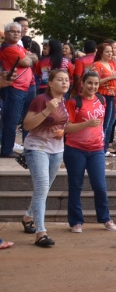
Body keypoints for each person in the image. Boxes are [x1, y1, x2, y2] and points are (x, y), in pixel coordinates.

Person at [21, 68, 70, 247]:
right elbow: (27, 124)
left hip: (57, 150)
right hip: (37, 148)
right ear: (50, 83)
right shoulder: (41, 100)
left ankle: (28, 216)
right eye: (60, 80)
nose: (64, 82)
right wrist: (46, 111)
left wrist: (63, 132)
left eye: (66, 80)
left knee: (44, 188)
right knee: (41, 187)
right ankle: (41, 233)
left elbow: (64, 125)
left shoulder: (65, 101)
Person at [64, 70, 116, 233]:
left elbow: (102, 124)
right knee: (75, 186)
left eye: (96, 83)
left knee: (100, 186)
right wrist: (86, 124)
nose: (93, 86)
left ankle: (105, 218)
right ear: (82, 84)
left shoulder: (101, 99)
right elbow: (66, 127)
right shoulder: (73, 102)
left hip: (96, 149)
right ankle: (76, 221)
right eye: (89, 83)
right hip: (75, 149)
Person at [0, 21, 37, 157]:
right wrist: (27, 58)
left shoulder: (18, 48)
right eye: (13, 31)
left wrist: (27, 57)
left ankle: (13, 148)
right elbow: (27, 61)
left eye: (18, 32)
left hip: (24, 87)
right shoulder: (7, 48)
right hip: (13, 87)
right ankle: (6, 150)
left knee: (20, 118)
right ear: (6, 34)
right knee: (11, 119)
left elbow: (35, 58)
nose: (16, 34)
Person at [92, 41, 116, 156]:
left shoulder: (111, 64)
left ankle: (104, 148)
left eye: (111, 52)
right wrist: (112, 77)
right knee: (104, 124)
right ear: (101, 52)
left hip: (113, 95)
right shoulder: (97, 65)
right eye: (107, 52)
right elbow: (94, 82)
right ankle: (100, 148)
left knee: (110, 123)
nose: (110, 54)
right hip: (102, 96)